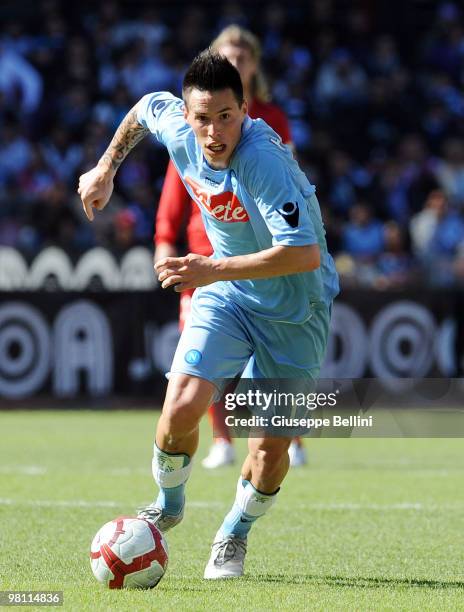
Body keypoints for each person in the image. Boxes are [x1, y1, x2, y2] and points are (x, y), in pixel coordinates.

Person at [78, 50, 339, 579]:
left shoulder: (263, 161)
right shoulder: (177, 126)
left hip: (295, 309)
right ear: (188, 114)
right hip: (229, 295)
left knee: (268, 453)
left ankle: (233, 535)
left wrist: (211, 269)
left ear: (244, 109)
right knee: (180, 407)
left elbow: (303, 253)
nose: (215, 130)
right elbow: (143, 109)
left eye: (226, 116)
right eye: (203, 117)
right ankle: (168, 504)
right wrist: (105, 167)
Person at [153, 25, 306, 469]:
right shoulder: (192, 122)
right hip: (205, 259)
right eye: (227, 55)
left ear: (254, 66)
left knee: (277, 355)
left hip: (261, 256)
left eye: (243, 56)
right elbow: (179, 181)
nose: (235, 62)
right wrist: (165, 238)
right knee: (205, 361)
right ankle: (221, 438)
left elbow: (290, 187)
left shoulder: (271, 123)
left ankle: (288, 440)